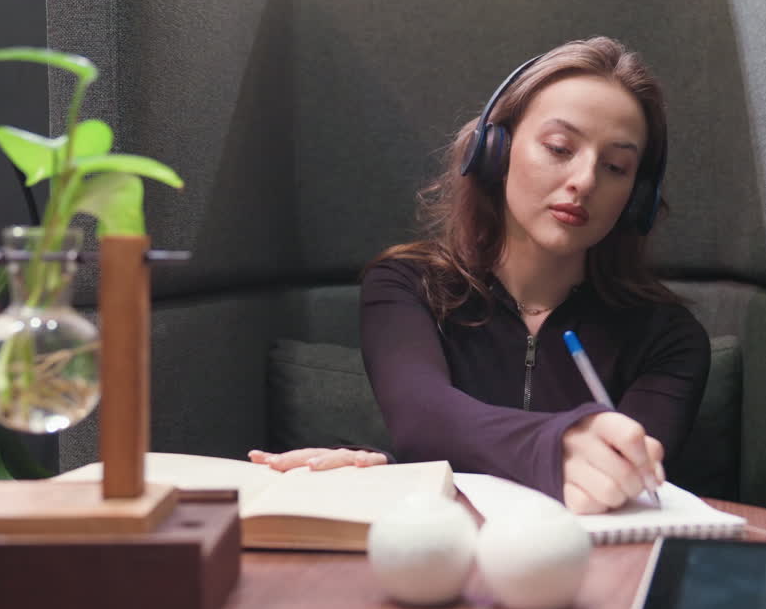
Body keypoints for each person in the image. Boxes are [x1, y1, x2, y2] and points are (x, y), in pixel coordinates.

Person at [250, 37, 710, 514]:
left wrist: (408, 464)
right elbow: (423, 417)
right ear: (496, 150)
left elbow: (621, 485)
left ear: (637, 197)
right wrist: (389, 467)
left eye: (616, 166)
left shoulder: (670, 339)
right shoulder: (406, 285)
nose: (586, 180)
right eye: (559, 147)